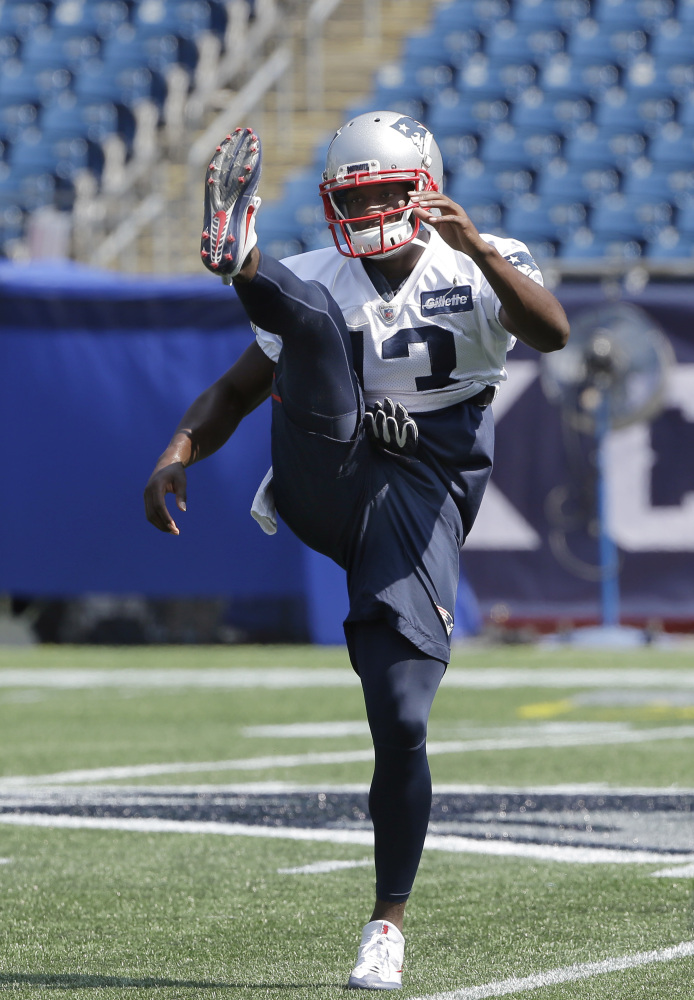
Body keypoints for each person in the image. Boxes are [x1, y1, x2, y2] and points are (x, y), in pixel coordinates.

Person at [144, 111, 569, 989]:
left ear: (424, 188)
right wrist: (177, 451)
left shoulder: (482, 259)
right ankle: (242, 259)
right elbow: (233, 390)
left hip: (422, 497)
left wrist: (482, 249)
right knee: (312, 328)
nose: (370, 211)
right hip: (322, 467)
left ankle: (386, 924)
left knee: (404, 719)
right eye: (355, 195)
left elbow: (553, 332)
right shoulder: (317, 278)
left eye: (384, 191)